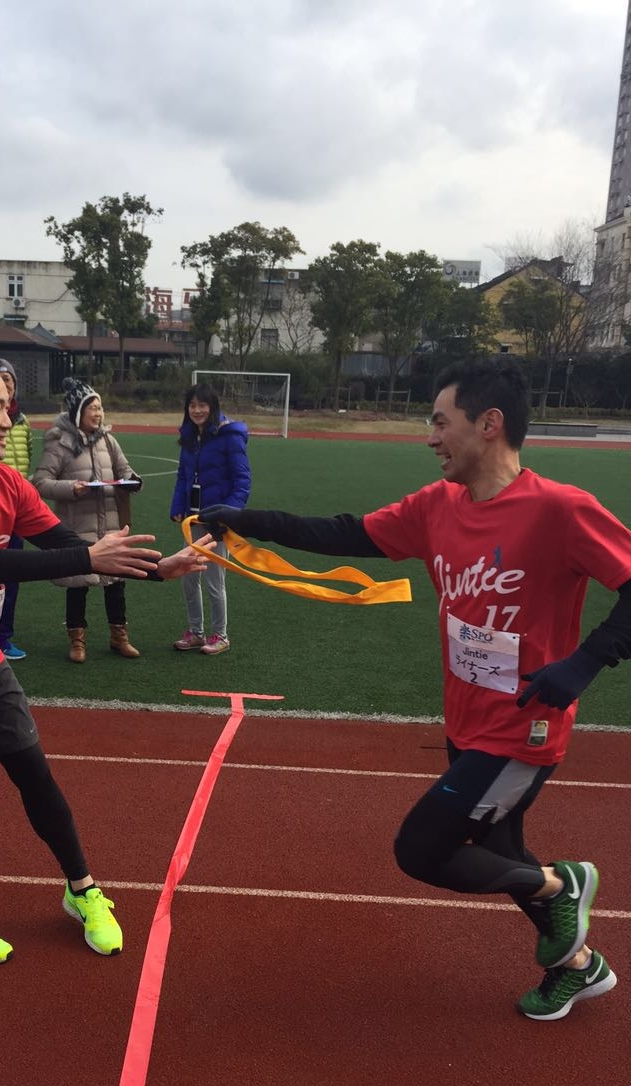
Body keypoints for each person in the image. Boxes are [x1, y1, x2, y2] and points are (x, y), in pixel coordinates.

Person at [200, 355, 631, 1020]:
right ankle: (579, 966)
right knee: (500, 850)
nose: (430, 437)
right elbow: (347, 533)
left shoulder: (560, 510)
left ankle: (564, 886)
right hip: (465, 719)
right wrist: (248, 520)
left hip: (523, 727)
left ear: (488, 424)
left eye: (439, 422)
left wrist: (584, 663)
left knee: (423, 850)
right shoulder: (437, 507)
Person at [0, 345, 210, 965]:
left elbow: (61, 541)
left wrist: (157, 569)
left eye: (10, 407)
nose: (10, 420)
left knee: (34, 773)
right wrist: (88, 556)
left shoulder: (6, 482)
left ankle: (82, 890)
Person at [33, 377, 144, 663]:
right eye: (92, 408)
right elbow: (41, 482)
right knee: (77, 584)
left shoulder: (108, 440)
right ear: (77, 412)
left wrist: (132, 480)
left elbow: (125, 469)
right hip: (76, 528)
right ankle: (77, 641)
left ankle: (119, 637)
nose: (98, 413)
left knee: (116, 582)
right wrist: (71, 488)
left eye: (100, 407)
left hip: (110, 525)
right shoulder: (60, 444)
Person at [170, 383, 251, 655]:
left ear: (212, 406)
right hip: (193, 519)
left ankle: (220, 635)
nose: (197, 410)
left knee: (214, 580)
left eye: (202, 405)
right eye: (192, 405)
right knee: (188, 577)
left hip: (217, 522)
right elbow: (183, 476)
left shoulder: (230, 437)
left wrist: (228, 514)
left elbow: (242, 482)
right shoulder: (190, 436)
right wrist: (178, 506)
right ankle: (196, 632)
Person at [0, 358, 32, 661]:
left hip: (16, 510)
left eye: (9, 379)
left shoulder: (23, 422)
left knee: (12, 576)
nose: (5, 383)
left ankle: (3, 637)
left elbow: (27, 457)